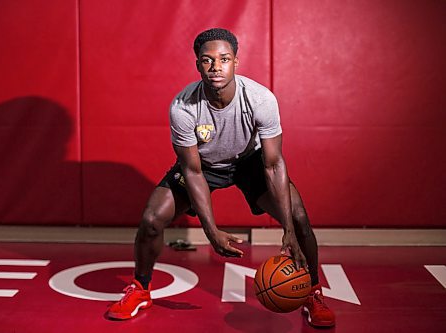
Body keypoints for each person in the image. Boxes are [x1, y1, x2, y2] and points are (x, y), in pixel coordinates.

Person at [106, 28, 335, 328]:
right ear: (197, 64)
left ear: (236, 62)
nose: (216, 67)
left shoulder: (260, 99)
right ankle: (140, 288)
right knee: (151, 220)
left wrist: (288, 229)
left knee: (299, 216)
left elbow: (274, 164)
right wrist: (211, 231)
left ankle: (313, 292)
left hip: (250, 163)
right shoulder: (183, 107)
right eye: (207, 60)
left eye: (224, 59)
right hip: (204, 165)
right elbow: (192, 170)